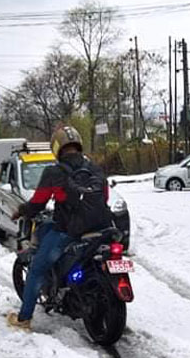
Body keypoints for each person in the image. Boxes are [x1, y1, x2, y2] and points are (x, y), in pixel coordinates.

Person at [6, 124, 113, 330]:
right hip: (102, 228)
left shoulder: (54, 172)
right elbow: (105, 197)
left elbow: (37, 203)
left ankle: (23, 319)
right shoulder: (94, 168)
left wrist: (21, 210)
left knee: (37, 269)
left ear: (57, 147)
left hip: (69, 231)